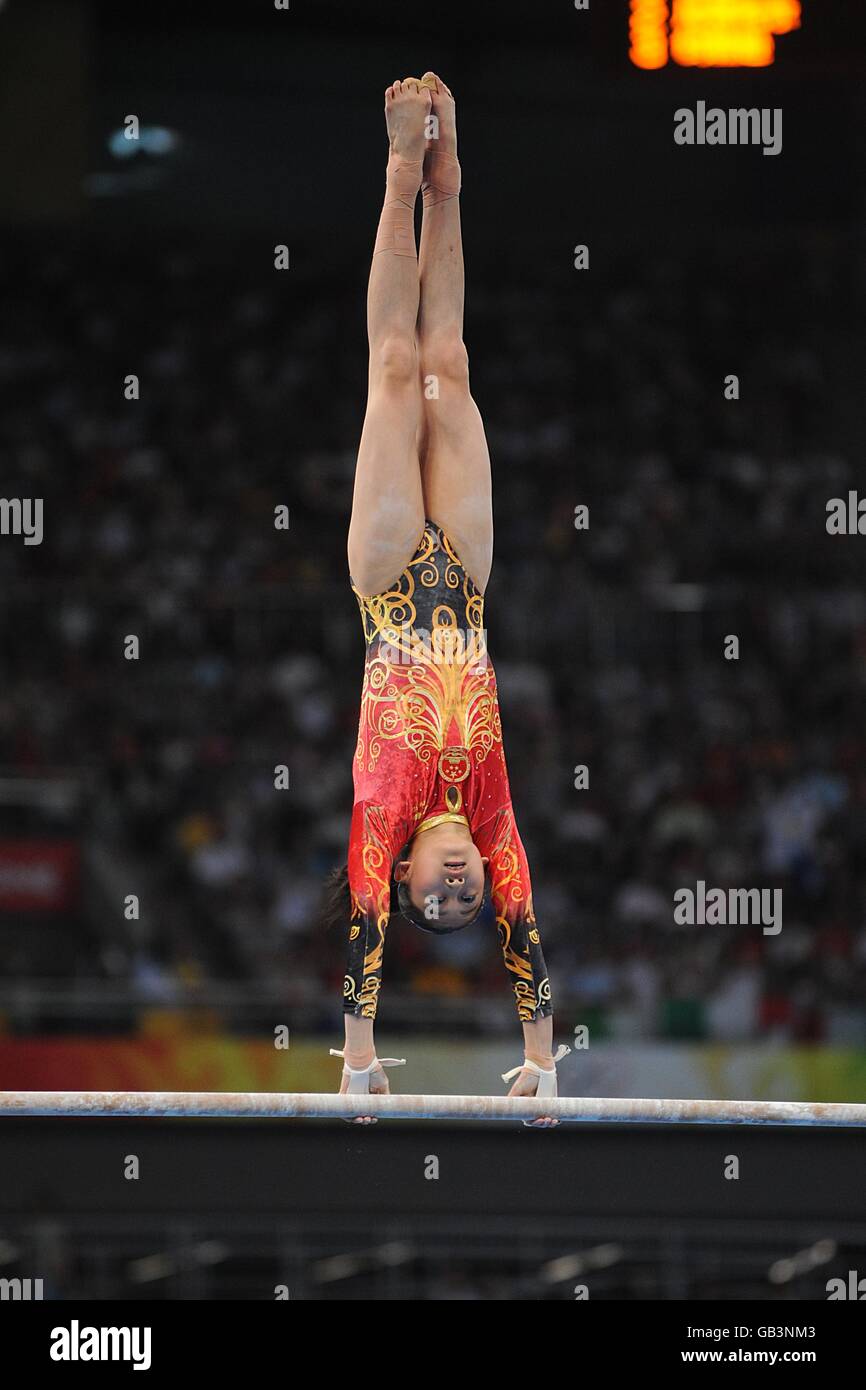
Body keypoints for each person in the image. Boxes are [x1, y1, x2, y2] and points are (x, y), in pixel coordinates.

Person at [323, 74, 568, 1124]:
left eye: (443, 893)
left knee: (391, 369)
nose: (465, 881)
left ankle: (395, 170)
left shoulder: (380, 820)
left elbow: (363, 935)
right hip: (462, 579)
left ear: (410, 873)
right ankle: (448, 179)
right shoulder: (494, 818)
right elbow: (525, 932)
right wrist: (542, 1057)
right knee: (449, 366)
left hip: (385, 583)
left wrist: (356, 1055)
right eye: (471, 893)